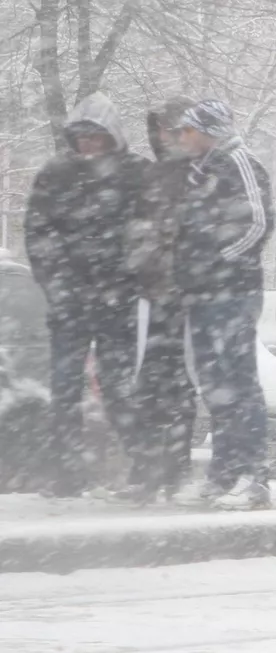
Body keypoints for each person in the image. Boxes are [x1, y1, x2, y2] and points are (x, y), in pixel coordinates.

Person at [23, 92, 149, 497]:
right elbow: (39, 233)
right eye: (82, 138)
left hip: (118, 303)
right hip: (70, 302)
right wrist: (58, 283)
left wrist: (127, 279)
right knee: (64, 388)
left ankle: (142, 465)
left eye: (96, 137)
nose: (88, 145)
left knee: (118, 386)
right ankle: (66, 470)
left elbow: (150, 233)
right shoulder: (55, 175)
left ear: (112, 137)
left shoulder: (136, 175)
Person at [168, 100, 275, 509]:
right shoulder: (201, 172)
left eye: (188, 130)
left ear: (208, 130)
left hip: (233, 293)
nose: (182, 137)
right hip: (202, 295)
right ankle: (225, 471)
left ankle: (257, 473)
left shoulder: (240, 163)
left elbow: (259, 223)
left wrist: (219, 262)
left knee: (241, 383)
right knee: (215, 387)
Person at [110, 96, 200, 504]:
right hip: (150, 295)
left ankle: (175, 469)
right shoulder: (154, 175)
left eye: (174, 128)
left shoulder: (198, 173)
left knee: (179, 387)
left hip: (184, 297)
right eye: (162, 129)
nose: (167, 136)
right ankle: (147, 468)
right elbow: (138, 229)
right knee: (147, 386)